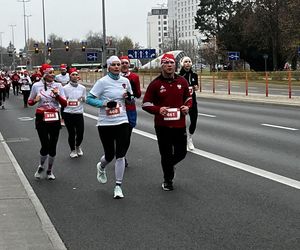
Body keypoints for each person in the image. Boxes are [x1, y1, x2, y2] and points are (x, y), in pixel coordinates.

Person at [142, 53, 192, 191]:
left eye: (171, 63)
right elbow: (145, 104)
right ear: (162, 65)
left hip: (179, 124)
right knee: (166, 154)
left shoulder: (182, 81)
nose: (169, 66)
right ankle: (167, 180)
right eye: (166, 63)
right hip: (162, 126)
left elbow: (188, 98)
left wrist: (187, 107)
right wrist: (158, 109)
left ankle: (169, 166)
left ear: (175, 65)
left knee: (181, 153)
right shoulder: (155, 84)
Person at [86, 55, 133, 199]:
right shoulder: (102, 82)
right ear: (108, 67)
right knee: (109, 155)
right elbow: (89, 98)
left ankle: (118, 186)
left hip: (122, 120)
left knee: (121, 154)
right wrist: (104, 104)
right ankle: (101, 166)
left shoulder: (125, 81)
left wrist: (128, 97)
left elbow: (131, 99)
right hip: (105, 123)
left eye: (119, 64)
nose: (117, 67)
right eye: (113, 64)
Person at [28, 64, 67, 180]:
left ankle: (49, 170)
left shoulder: (58, 85)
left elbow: (64, 104)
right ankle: (41, 166)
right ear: (44, 74)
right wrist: (35, 100)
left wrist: (57, 95)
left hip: (54, 117)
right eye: (50, 73)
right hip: (41, 117)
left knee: (53, 146)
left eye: (53, 72)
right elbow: (30, 101)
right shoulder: (36, 85)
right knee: (45, 145)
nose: (52, 75)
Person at [119, 55, 141, 167]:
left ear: (129, 64)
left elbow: (138, 94)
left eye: (126, 63)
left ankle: (122, 155)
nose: (124, 64)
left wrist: (131, 92)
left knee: (127, 135)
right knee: (119, 134)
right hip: (118, 108)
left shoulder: (134, 77)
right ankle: (120, 156)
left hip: (130, 108)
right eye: (122, 62)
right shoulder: (115, 77)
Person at [63, 68, 86, 158]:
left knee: (80, 132)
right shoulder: (65, 88)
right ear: (70, 76)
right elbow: (62, 101)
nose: (75, 76)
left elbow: (84, 99)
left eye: (76, 74)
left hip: (78, 112)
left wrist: (83, 99)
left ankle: (78, 146)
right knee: (71, 133)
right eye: (73, 74)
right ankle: (72, 150)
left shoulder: (82, 88)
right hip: (68, 112)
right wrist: (66, 100)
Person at [179, 56, 199, 150]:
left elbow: (196, 86)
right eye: (185, 61)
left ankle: (189, 137)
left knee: (194, 120)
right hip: (182, 101)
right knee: (180, 122)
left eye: (189, 61)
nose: (188, 63)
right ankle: (181, 139)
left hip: (192, 101)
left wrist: (195, 88)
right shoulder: (179, 76)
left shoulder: (194, 75)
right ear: (182, 63)